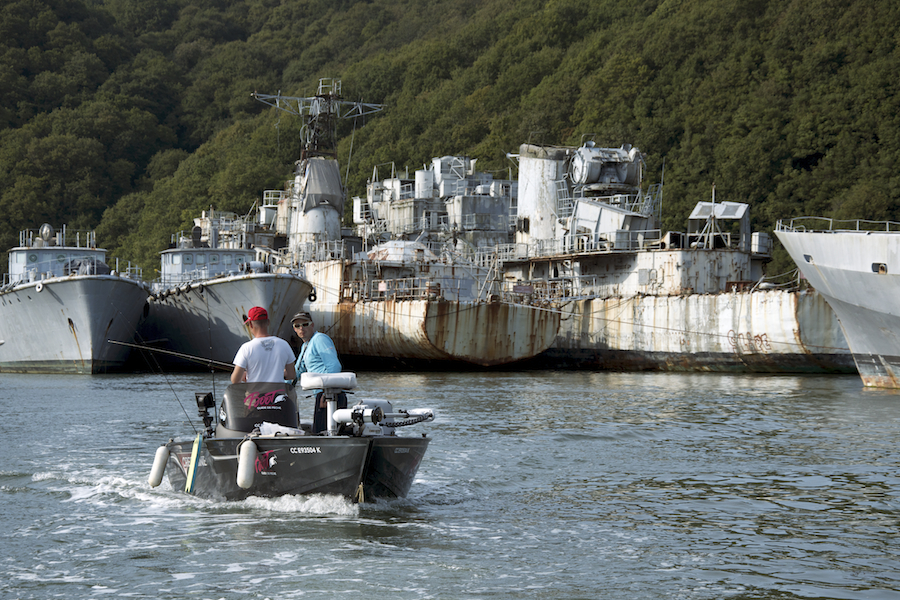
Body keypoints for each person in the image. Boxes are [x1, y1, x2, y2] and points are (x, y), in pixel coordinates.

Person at [291, 311, 343, 433]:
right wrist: (280, 387)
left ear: (312, 325)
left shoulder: (320, 339)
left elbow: (334, 366)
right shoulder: (306, 346)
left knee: (324, 434)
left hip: (330, 395)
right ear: (294, 329)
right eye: (297, 326)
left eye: (305, 324)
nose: (301, 328)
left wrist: (327, 393)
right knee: (319, 432)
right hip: (321, 395)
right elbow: (297, 371)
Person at [231, 306, 296, 384]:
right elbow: (291, 375)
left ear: (250, 324)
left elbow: (235, 380)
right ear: (268, 322)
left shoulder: (246, 348)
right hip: (279, 394)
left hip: (255, 395)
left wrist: (245, 376)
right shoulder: (284, 344)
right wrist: (276, 374)